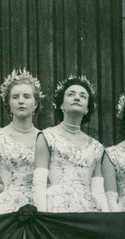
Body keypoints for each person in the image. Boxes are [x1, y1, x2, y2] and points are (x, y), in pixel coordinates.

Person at [33, 75, 108, 212]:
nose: (77, 98)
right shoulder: (47, 137)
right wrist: (41, 217)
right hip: (56, 207)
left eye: (83, 96)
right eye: (71, 94)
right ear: (61, 105)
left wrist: (107, 220)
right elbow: (39, 183)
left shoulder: (96, 147)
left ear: (87, 109)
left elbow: (98, 191)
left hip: (88, 208)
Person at [0, 69, 42, 214]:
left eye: (26, 96)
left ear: (36, 103)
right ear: (8, 104)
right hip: (7, 209)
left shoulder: (45, 138)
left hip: (40, 208)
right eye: (15, 97)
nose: (21, 101)